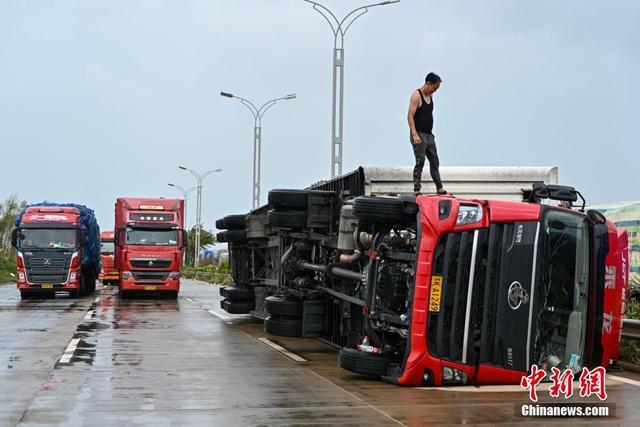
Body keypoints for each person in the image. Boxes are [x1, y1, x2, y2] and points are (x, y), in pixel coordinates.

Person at [407, 72, 447, 196]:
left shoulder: (430, 95)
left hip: (429, 135)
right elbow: (410, 116)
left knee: (434, 160)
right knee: (421, 161)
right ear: (428, 83)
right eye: (434, 88)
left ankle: (439, 187)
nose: (435, 91)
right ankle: (417, 189)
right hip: (419, 134)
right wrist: (414, 134)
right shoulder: (416, 96)